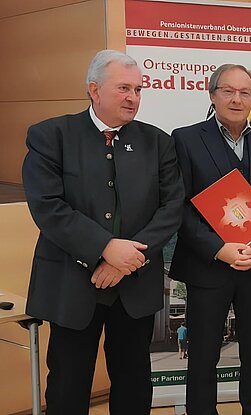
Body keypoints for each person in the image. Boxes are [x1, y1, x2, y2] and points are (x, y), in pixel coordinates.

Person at [21, 49, 184, 415]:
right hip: (72, 284)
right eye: (123, 88)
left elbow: (172, 207)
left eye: (138, 89)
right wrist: (105, 248)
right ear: (94, 90)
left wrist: (127, 259)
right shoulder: (51, 136)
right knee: (67, 385)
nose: (133, 97)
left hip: (134, 285)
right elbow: (48, 207)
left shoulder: (157, 142)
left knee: (133, 384)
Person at [169, 63, 251, 415]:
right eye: (228, 91)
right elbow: (178, 205)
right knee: (203, 354)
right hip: (207, 267)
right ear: (212, 95)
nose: (237, 99)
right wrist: (218, 249)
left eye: (245, 92)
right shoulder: (185, 139)